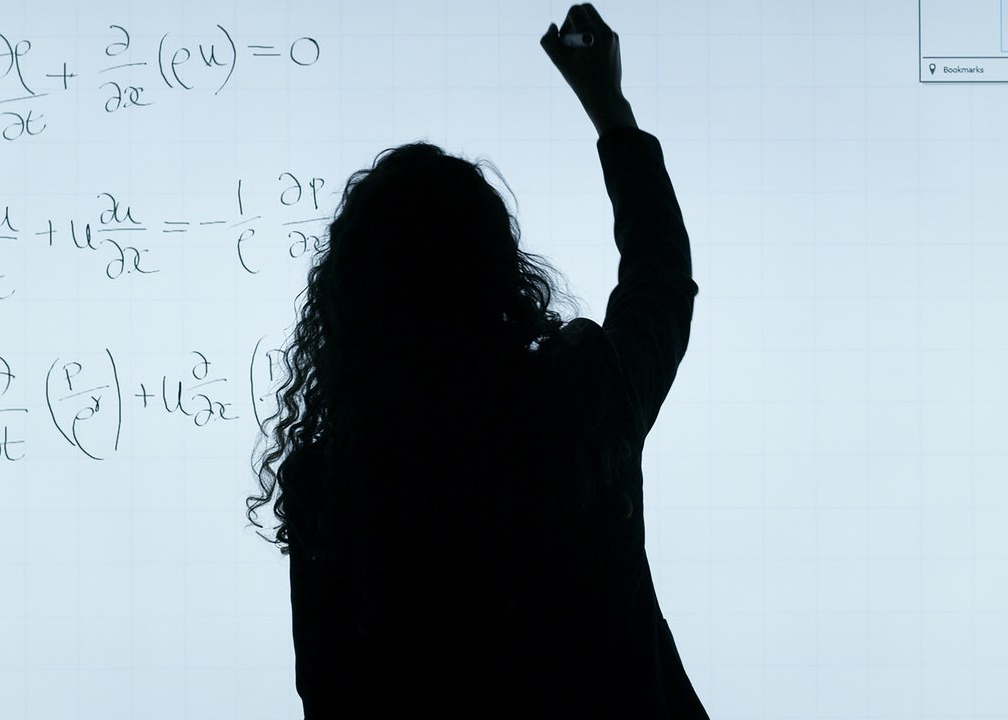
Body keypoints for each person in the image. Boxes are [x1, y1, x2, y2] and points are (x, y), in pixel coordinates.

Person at [246, 4, 708, 718]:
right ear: (502, 273)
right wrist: (608, 108)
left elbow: (330, 697)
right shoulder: (577, 403)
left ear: (351, 302)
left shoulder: (331, 484)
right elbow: (659, 283)